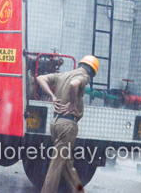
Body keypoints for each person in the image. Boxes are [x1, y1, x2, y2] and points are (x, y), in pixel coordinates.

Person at [35, 55, 99, 193]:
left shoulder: (63, 74)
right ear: (92, 72)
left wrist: (53, 97)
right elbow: (73, 84)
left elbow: (40, 78)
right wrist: (72, 104)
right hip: (67, 125)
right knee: (56, 165)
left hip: (56, 123)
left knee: (67, 166)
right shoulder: (84, 76)